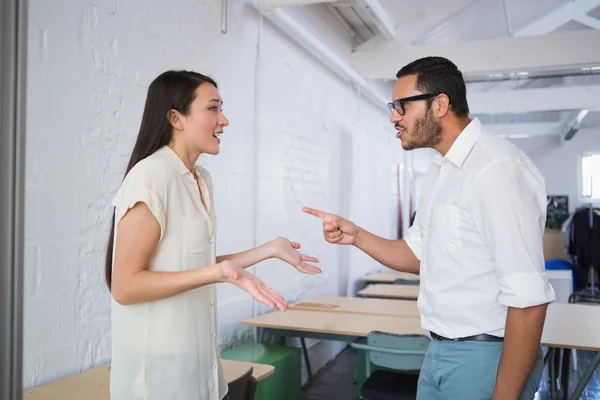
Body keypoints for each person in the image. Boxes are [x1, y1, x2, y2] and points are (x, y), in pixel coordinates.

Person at [303, 56, 555, 400]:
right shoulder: (441, 171)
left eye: (402, 106)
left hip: (485, 357)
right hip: (438, 350)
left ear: (440, 104)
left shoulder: (498, 169)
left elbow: (529, 301)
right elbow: (418, 254)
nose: (394, 117)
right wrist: (357, 236)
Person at [105, 70, 321, 400]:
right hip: (159, 382)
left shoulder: (199, 178)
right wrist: (217, 274)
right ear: (176, 118)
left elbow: (197, 265)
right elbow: (125, 285)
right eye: (213, 109)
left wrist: (270, 249)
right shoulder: (151, 176)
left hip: (199, 372)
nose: (224, 120)